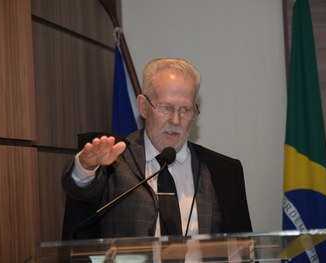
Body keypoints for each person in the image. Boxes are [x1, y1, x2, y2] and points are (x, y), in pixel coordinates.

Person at [62, 58, 252, 239]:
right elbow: (81, 190)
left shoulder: (223, 172)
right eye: (166, 108)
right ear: (143, 107)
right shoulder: (114, 162)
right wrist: (86, 167)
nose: (176, 120)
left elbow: (242, 250)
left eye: (186, 110)